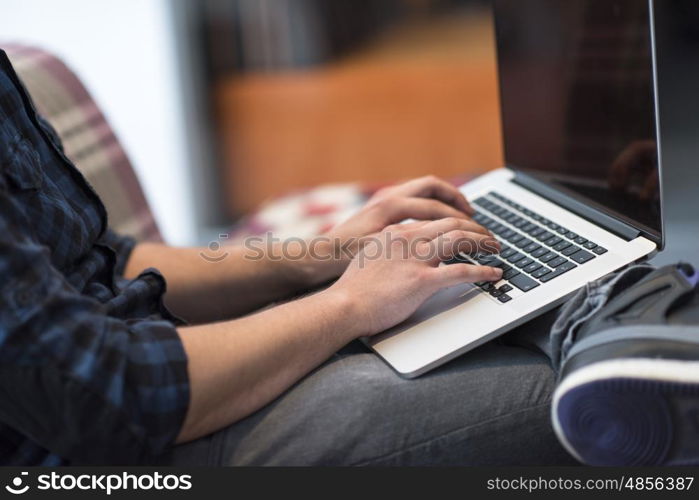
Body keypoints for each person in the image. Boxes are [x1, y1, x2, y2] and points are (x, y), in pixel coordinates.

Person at [0, 48, 578, 466]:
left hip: (160, 363)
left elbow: (109, 260)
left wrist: (320, 255)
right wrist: (348, 302)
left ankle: (608, 302)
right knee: (570, 389)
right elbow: (112, 391)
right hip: (127, 449)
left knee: (501, 286)